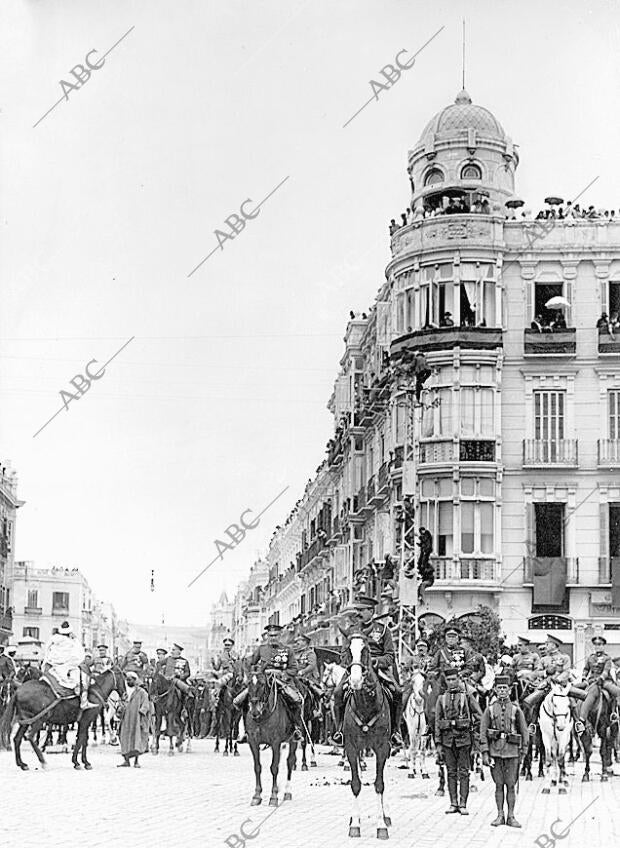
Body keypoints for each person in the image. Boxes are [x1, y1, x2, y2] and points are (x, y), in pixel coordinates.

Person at [332, 596, 403, 748]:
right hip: (356, 666)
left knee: (397, 692)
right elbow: (344, 653)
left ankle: (395, 731)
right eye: (357, 610)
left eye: (362, 610)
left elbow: (390, 655)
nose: (358, 614)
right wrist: (351, 663)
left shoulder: (383, 630)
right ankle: (339, 731)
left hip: (377, 668)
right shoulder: (351, 630)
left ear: (371, 611)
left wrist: (377, 662)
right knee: (338, 692)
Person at [233, 623, 303, 741]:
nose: (273, 638)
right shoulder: (261, 649)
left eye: (275, 635)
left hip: (281, 680)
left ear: (280, 635)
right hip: (263, 680)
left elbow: (294, 668)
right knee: (241, 700)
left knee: (295, 699)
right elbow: (250, 662)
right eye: (270, 635)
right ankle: (246, 730)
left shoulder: (287, 649)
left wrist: (283, 674)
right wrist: (249, 674)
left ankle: (296, 728)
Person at [480, 674, 528, 828]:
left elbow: (524, 731)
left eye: (504, 688)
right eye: (499, 688)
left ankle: (511, 816)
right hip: (495, 753)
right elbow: (483, 732)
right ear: (494, 690)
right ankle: (500, 815)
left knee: (511, 785)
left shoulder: (515, 709)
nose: (502, 691)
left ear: (509, 690)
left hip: (512, 752)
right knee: (499, 785)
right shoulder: (489, 710)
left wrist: (524, 751)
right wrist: (485, 752)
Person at [435, 667, 482, 815]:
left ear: (459, 680)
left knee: (464, 772)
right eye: (448, 680)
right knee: (451, 772)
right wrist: (437, 743)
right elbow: (437, 722)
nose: (451, 682)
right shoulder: (441, 699)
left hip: (464, 740)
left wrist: (475, 734)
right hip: (447, 741)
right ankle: (453, 803)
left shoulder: (467, 697)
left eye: (454, 679)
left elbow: (479, 716)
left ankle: (463, 804)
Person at [523, 634, 585, 732]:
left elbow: (566, 672)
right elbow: (537, 672)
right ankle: (533, 724)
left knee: (572, 701)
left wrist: (559, 679)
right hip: (547, 686)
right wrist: (546, 672)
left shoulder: (565, 658)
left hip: (562, 686)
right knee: (537, 702)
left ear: (554, 645)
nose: (546, 646)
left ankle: (578, 723)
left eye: (548, 644)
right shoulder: (543, 659)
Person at [42, 621, 97, 710]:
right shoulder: (72, 642)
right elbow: (79, 657)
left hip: (53, 666)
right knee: (83, 679)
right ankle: (84, 702)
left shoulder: (53, 639)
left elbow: (46, 651)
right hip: (66, 667)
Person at [574, 635, 620, 734]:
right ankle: (575, 717)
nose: (597, 647)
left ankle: (614, 714)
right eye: (596, 645)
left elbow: (606, 670)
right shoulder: (591, 658)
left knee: (617, 692)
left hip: (604, 681)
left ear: (603, 646)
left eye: (599, 645)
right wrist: (583, 678)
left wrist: (601, 678)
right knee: (571, 690)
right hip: (591, 680)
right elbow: (586, 669)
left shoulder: (607, 658)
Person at [430, 624, 477, 695]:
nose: (451, 639)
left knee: (472, 693)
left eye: (454, 636)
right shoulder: (440, 652)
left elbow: (470, 667)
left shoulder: (465, 652)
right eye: (449, 636)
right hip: (443, 682)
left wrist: (461, 674)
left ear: (458, 638)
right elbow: (432, 667)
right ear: (445, 638)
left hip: (459, 681)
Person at [117, 670, 150, 768]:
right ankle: (126, 760)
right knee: (124, 738)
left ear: (135, 680)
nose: (128, 681)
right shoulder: (124, 693)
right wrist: (120, 708)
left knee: (136, 739)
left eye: (130, 680)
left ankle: (136, 761)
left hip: (136, 719)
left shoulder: (141, 692)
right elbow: (120, 703)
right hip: (125, 719)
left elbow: (146, 705)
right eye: (127, 680)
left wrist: (141, 712)